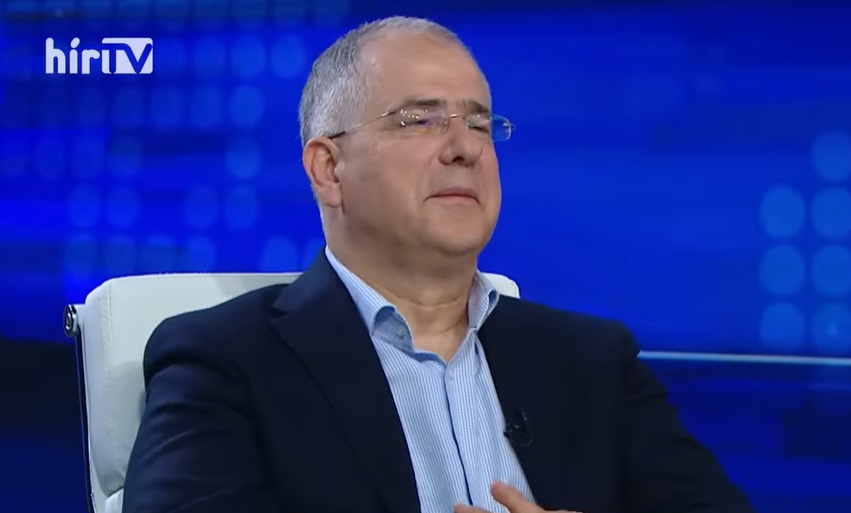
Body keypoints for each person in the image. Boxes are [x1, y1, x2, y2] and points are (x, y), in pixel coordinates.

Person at [123, 16, 755, 513]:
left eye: (479, 125)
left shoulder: (593, 363)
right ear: (328, 170)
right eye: (420, 120)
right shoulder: (225, 361)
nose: (463, 149)